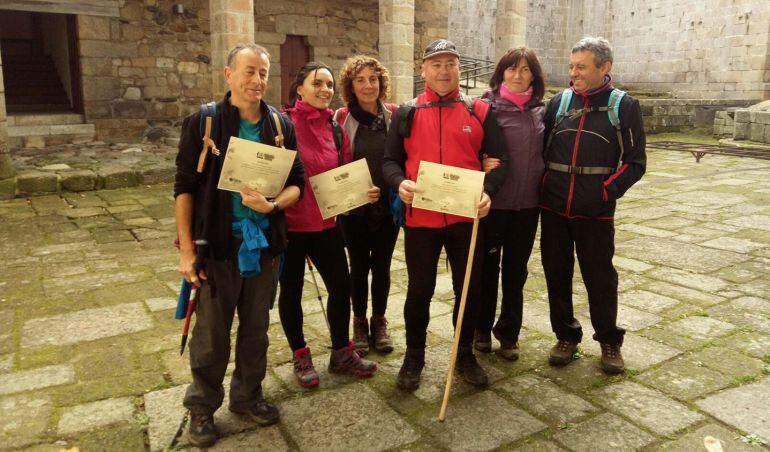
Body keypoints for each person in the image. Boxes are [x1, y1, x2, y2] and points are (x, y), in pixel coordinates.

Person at [174, 43, 305, 448]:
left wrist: (272, 204)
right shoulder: (205, 123)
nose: (257, 80)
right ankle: (201, 407)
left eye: (263, 73)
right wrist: (186, 252)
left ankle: (247, 396)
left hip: (263, 248)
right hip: (218, 246)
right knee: (212, 334)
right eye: (249, 71)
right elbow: (184, 187)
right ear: (228, 74)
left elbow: (296, 183)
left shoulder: (280, 125)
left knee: (256, 329)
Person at [383, 39, 508, 391]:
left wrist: (488, 192)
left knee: (467, 290)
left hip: (466, 219)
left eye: (450, 63)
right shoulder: (406, 113)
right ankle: (414, 356)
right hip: (421, 219)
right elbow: (389, 160)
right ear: (423, 70)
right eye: (436, 64)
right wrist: (399, 182)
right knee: (419, 291)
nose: (444, 70)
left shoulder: (480, 111)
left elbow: (499, 161)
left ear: (457, 68)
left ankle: (463, 353)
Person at [540, 36, 646, 374]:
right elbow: (539, 151)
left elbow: (635, 162)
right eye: (571, 66)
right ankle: (566, 335)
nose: (574, 73)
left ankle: (609, 340)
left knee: (600, 277)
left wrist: (606, 192)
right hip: (554, 208)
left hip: (596, 212)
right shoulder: (557, 103)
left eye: (581, 67)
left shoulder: (624, 106)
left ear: (605, 67)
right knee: (556, 274)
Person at [279, 61, 379, 389]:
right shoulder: (282, 124)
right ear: (299, 88)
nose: (325, 90)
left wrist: (363, 190)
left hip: (326, 225)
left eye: (329, 85)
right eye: (317, 84)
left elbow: (345, 171)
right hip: (290, 226)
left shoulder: (334, 127)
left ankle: (341, 352)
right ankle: (300, 353)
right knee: (291, 292)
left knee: (341, 287)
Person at [473, 47, 546, 361]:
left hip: (528, 206)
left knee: (516, 271)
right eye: (512, 69)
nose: (518, 75)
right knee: (486, 268)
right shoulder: (483, 108)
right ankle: (480, 328)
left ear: (534, 75)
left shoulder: (543, 111)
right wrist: (480, 164)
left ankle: (509, 332)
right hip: (493, 203)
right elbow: (469, 147)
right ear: (501, 72)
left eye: (525, 70)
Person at [334, 55, 399, 356]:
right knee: (357, 268)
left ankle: (380, 321)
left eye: (373, 78)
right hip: (353, 208)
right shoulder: (340, 118)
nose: (368, 85)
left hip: (386, 207)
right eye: (360, 79)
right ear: (351, 85)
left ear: (381, 82)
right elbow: (335, 163)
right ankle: (359, 322)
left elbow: (401, 157)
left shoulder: (394, 116)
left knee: (383, 267)